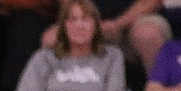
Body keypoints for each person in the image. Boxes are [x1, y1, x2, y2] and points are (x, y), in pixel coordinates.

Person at [39, 0, 169, 75]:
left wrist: (118, 23)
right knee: (51, 39)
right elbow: (69, 4)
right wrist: (87, 24)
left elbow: (152, 1)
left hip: (135, 20)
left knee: (148, 34)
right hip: (88, 19)